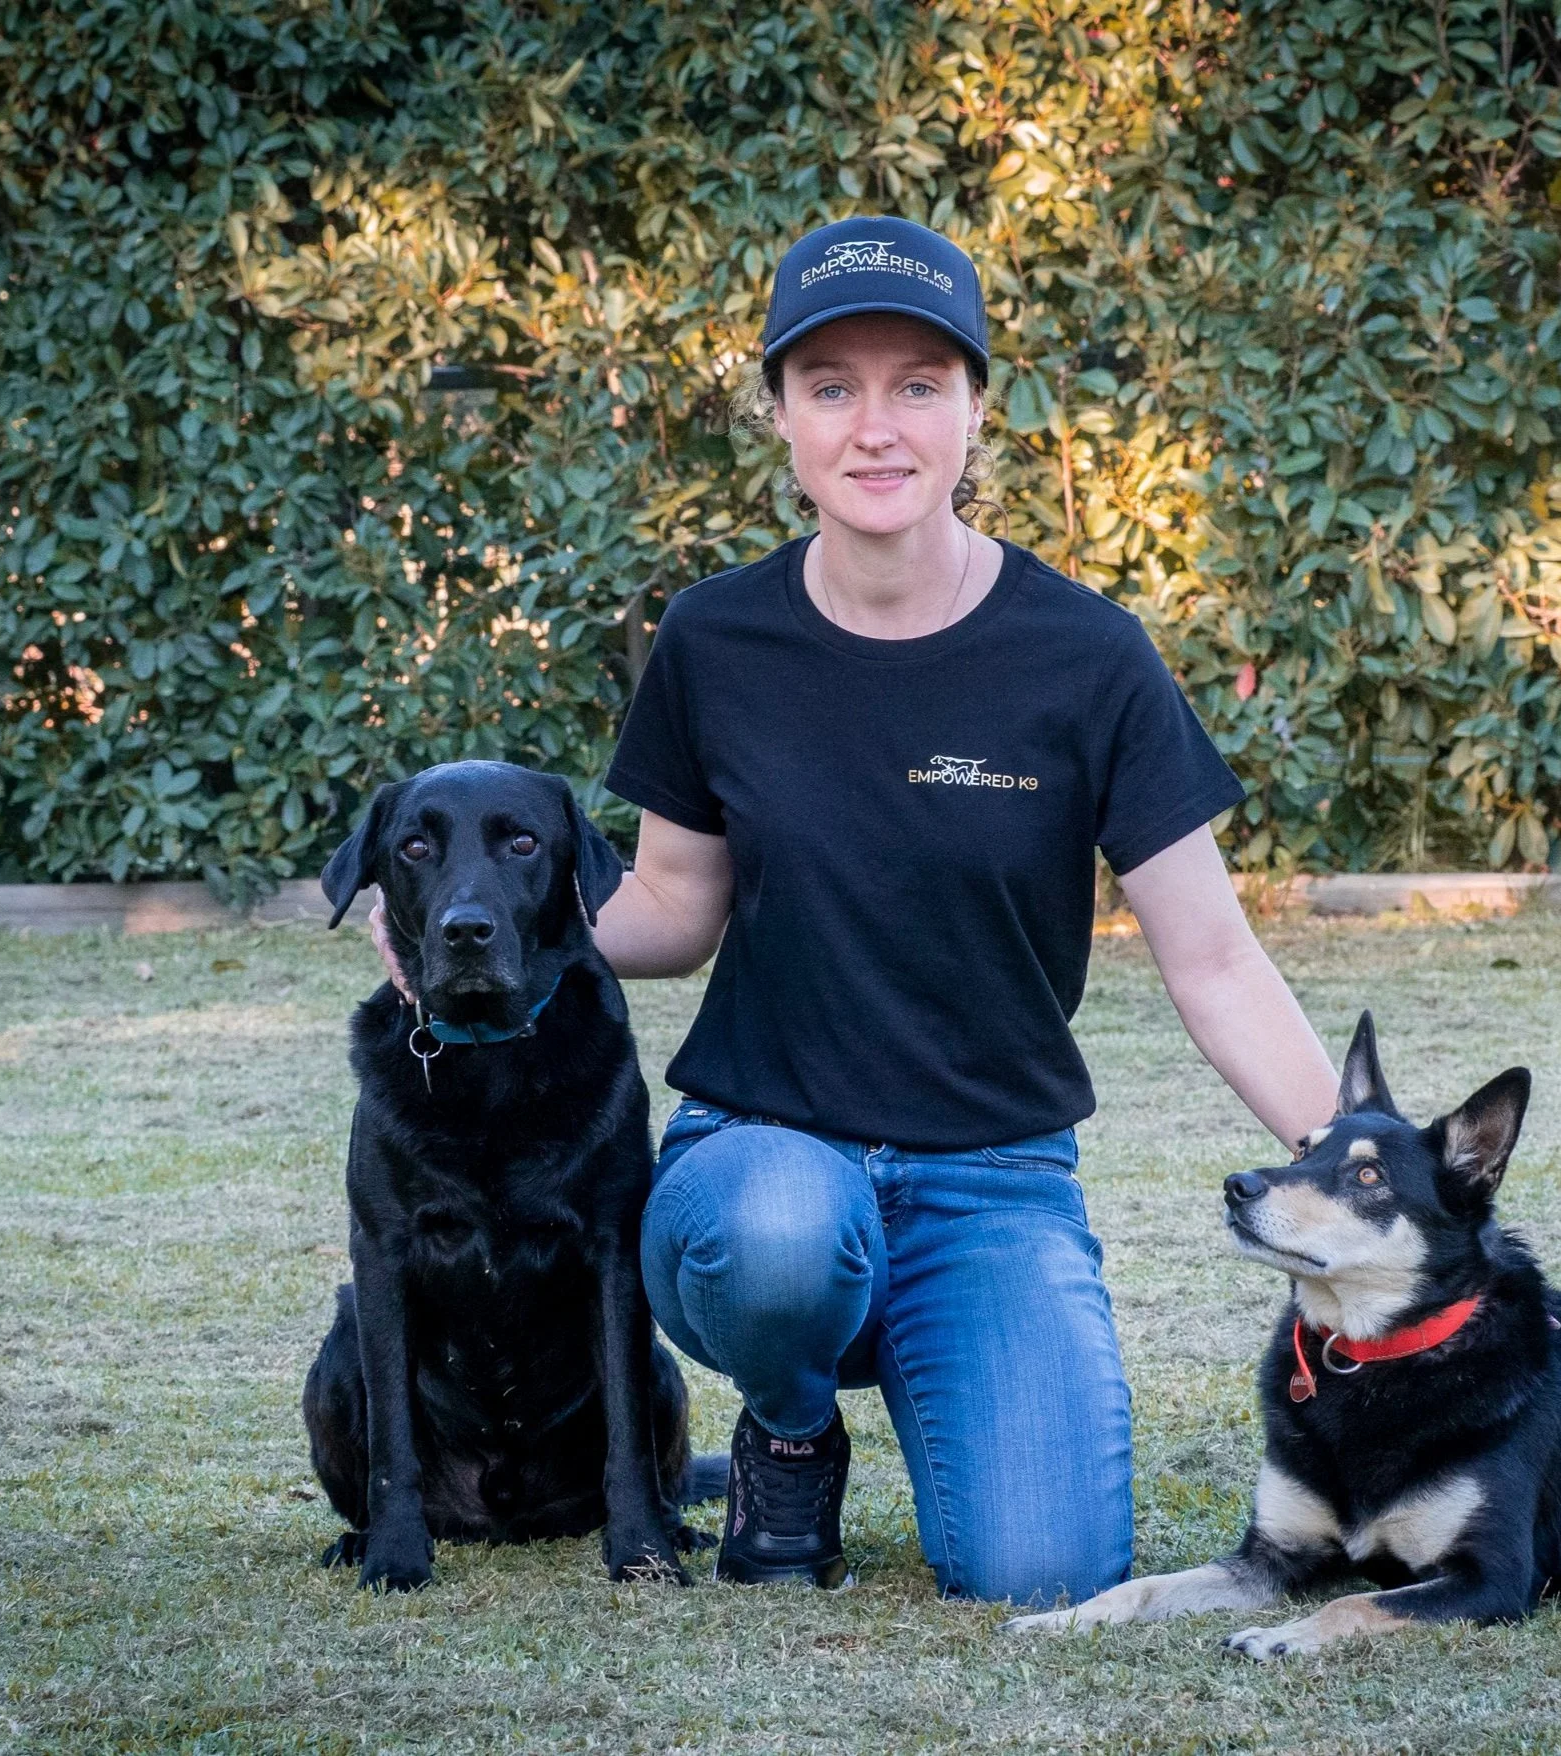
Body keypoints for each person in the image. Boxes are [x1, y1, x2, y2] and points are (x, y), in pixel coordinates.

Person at [377, 216, 1339, 1606]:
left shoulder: (1089, 657)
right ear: (779, 417)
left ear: (974, 410)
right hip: (763, 1156)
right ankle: (787, 1427)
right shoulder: (716, 639)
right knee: (775, 1232)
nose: (875, 427)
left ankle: (936, 1346)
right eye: (831, 385)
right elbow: (670, 909)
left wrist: (1355, 1161)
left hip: (993, 1176)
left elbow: (1217, 962)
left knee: (1039, 1566)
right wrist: (463, 934)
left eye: (917, 384)